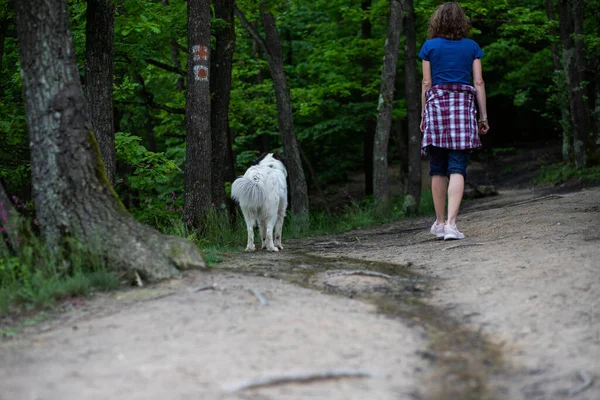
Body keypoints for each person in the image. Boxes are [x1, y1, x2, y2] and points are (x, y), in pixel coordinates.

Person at [418, 2, 489, 240]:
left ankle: (438, 223)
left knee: (437, 168)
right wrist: (484, 116)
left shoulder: (429, 47)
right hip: (462, 108)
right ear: (462, 22)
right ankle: (451, 224)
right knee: (457, 166)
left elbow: (426, 84)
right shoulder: (472, 47)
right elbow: (478, 83)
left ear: (437, 22)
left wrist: (423, 115)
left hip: (436, 107)